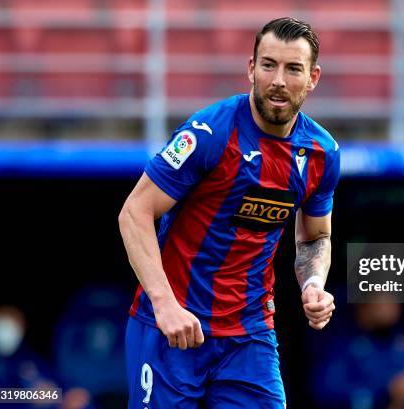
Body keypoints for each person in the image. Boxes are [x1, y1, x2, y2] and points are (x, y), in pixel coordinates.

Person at [118, 17, 340, 409]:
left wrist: (313, 284)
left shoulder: (322, 154)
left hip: (249, 335)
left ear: (313, 78)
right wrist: (165, 305)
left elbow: (315, 236)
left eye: (293, 69)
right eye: (268, 65)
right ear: (251, 68)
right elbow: (135, 212)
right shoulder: (209, 132)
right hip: (173, 329)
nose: (278, 80)